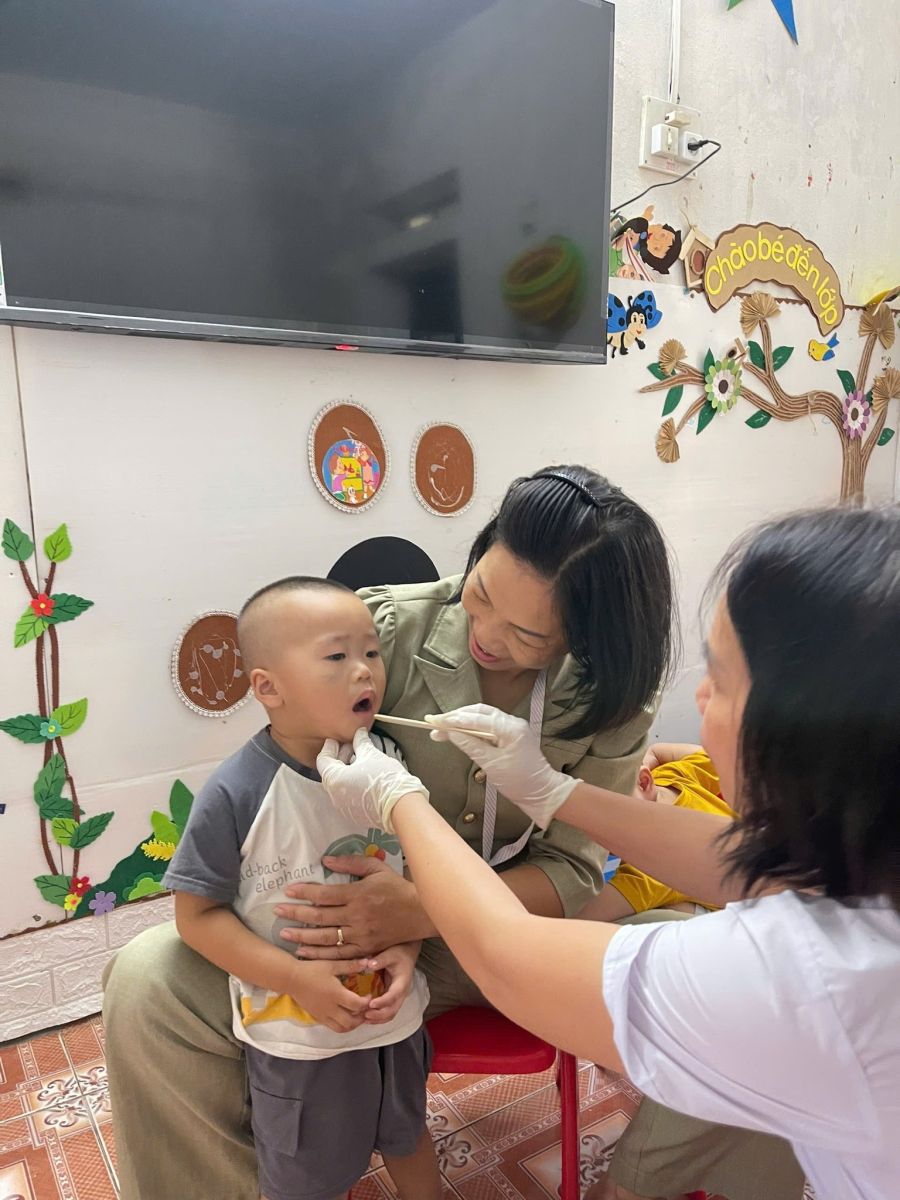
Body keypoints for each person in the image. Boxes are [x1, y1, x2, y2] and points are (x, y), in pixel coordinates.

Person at [106, 465, 722, 1200]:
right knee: (147, 982)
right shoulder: (382, 632)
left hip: (511, 937)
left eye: (527, 634)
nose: (486, 635)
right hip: (351, 926)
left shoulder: (612, 694)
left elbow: (574, 869)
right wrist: (357, 926)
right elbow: (289, 755)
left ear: (586, 637)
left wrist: (423, 910)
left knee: (723, 982)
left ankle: (637, 1186)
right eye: (481, 594)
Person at [316, 505, 900, 1200]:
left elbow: (511, 955)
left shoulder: (812, 981)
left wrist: (398, 800)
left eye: (720, 680)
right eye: (480, 594)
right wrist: (552, 790)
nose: (699, 697)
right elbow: (757, 863)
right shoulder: (384, 627)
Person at [166, 577, 439, 1200]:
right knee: (307, 1177)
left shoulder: (391, 765)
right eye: (337, 655)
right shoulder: (236, 793)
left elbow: (418, 876)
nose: (365, 670)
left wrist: (408, 949)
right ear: (268, 688)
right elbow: (196, 916)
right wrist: (296, 979)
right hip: (298, 1039)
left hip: (395, 1018)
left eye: (372, 652)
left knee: (409, 1136)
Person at [581, 744, 734, 922]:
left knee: (657, 912)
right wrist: (652, 754)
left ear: (644, 782)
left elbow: (582, 916)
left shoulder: (650, 873)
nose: (596, 832)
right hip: (756, 857)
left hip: (742, 912)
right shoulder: (671, 776)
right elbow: (717, 755)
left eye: (611, 813)